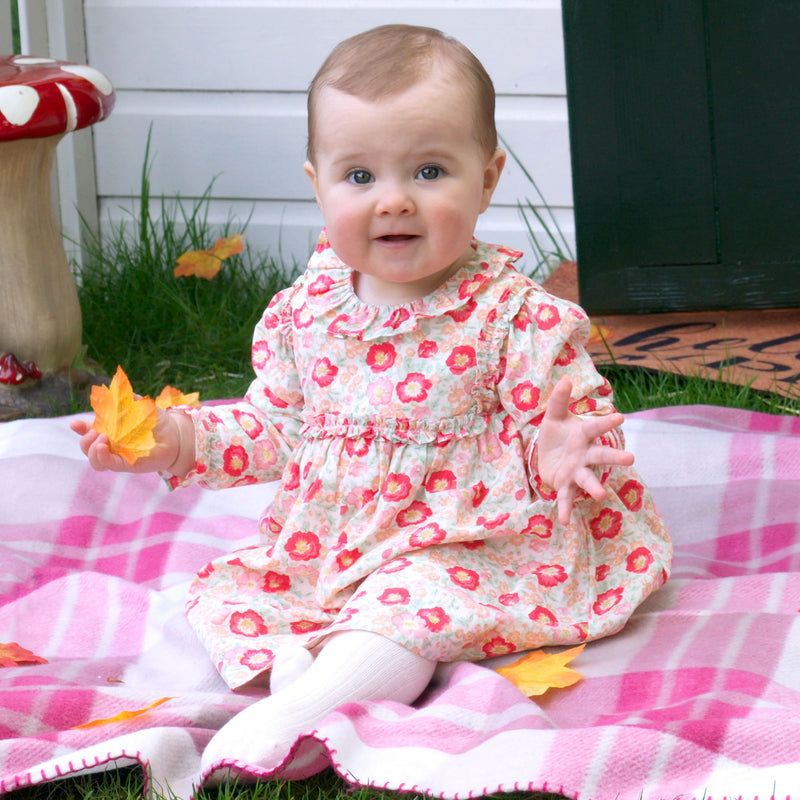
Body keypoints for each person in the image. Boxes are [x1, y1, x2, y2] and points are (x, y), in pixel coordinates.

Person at [72, 23, 671, 776]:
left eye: (428, 171)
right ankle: (298, 667)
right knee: (226, 595)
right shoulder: (307, 310)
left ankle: (307, 715)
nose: (393, 202)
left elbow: (569, 412)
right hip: (337, 538)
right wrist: (178, 440)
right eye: (359, 177)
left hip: (469, 538)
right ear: (316, 182)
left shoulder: (509, 316)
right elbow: (277, 426)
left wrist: (557, 448)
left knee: (410, 608)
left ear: (486, 180)